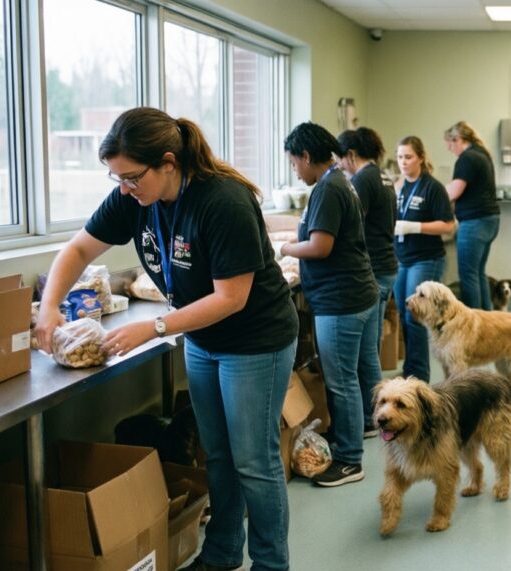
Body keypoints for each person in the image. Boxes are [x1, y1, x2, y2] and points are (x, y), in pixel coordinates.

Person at [34, 107, 298, 571]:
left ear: (168, 163)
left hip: (256, 340)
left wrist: (153, 327)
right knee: (217, 454)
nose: (124, 188)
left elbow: (231, 298)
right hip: (202, 338)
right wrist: (51, 305)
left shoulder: (224, 201)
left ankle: (271, 564)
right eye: (116, 178)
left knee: (253, 461)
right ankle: (221, 553)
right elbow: (78, 249)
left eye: (132, 177)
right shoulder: (134, 197)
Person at [281, 121, 381, 487]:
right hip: (359, 292)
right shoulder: (340, 181)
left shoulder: (328, 188)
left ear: (307, 156)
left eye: (294, 163)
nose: (295, 171)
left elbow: (320, 247)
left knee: (341, 382)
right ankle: (360, 429)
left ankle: (350, 460)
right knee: (358, 372)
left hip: (341, 301)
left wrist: (286, 248)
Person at [392, 136, 455, 382]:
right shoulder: (400, 187)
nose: (403, 162)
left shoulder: (432, 187)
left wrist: (415, 227)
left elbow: (448, 225)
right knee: (403, 314)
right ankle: (411, 369)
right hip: (402, 258)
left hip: (426, 259)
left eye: (408, 157)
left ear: (420, 158)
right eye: (400, 157)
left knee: (415, 317)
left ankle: (418, 376)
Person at [338, 127, 398, 375]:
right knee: (372, 346)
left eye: (340, 158)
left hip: (375, 269)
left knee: (367, 351)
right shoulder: (383, 176)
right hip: (385, 265)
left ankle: (372, 399)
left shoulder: (362, 180)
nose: (340, 165)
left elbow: (352, 224)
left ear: (351, 154)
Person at [444, 121, 500, 310]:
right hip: (489, 220)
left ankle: (473, 321)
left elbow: (454, 191)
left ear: (458, 139)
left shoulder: (467, 158)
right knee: (478, 272)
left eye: (450, 144)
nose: (450, 149)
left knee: (468, 275)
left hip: (475, 222)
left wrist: (433, 194)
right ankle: (486, 318)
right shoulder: (482, 154)